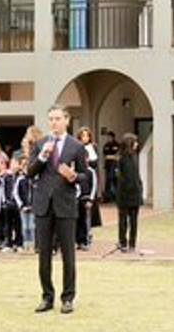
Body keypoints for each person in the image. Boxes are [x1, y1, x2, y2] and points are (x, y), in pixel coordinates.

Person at [27, 104, 89, 314]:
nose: (53, 123)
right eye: (51, 119)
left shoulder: (76, 146)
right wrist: (43, 157)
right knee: (44, 253)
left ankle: (68, 297)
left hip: (65, 204)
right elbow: (30, 171)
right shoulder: (41, 144)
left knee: (68, 255)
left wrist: (73, 177)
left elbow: (86, 176)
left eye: (57, 119)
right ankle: (47, 296)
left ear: (66, 120)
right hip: (44, 204)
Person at [114, 133, 143, 253]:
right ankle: (129, 243)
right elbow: (126, 177)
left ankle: (125, 242)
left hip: (127, 193)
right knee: (131, 220)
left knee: (124, 220)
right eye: (135, 142)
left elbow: (123, 176)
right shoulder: (126, 158)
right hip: (129, 193)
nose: (137, 144)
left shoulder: (127, 157)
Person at [101, 131, 120, 204]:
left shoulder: (117, 145)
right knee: (108, 182)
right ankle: (107, 198)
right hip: (108, 166)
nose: (108, 138)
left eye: (109, 137)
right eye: (107, 137)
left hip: (115, 166)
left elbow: (117, 156)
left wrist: (111, 157)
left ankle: (118, 198)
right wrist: (111, 157)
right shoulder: (106, 145)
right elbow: (104, 155)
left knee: (116, 181)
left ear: (113, 137)